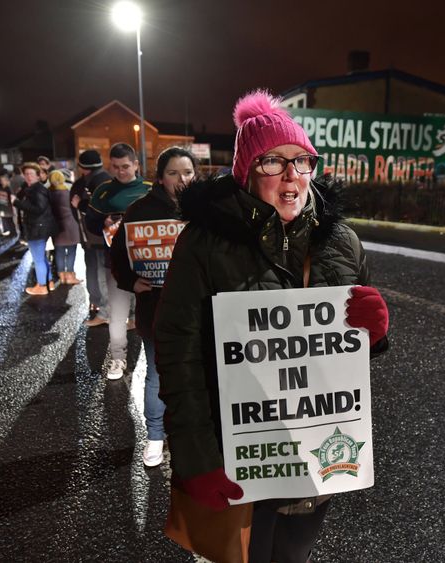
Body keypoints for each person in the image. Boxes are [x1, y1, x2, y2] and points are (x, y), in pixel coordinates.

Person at [154, 90, 390, 562]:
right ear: (246, 172)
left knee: (294, 556)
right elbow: (179, 356)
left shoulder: (341, 241)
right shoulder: (204, 244)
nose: (291, 177)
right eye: (272, 163)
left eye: (302, 162)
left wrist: (376, 333)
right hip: (239, 453)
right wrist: (198, 460)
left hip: (316, 454)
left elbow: (348, 351)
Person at [110, 147, 197, 467]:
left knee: (195, 375)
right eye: (173, 173)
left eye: (187, 172)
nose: (181, 179)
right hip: (155, 308)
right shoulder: (139, 211)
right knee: (158, 375)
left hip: (198, 311)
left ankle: (188, 436)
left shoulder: (206, 210)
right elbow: (118, 256)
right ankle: (155, 437)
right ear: (160, 177)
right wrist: (131, 281)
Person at [85, 143, 150, 380]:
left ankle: (155, 361)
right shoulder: (103, 191)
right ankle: (117, 358)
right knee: (118, 313)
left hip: (148, 263)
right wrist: (102, 223)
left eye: (125, 166)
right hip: (115, 262)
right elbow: (90, 222)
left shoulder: (151, 189)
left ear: (136, 165)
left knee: (150, 313)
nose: (121, 171)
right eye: (116, 167)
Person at [71, 150, 112, 322]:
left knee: (98, 272)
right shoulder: (108, 179)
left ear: (84, 167)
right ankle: (101, 305)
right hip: (100, 236)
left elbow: (94, 209)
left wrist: (80, 205)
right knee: (101, 272)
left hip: (93, 236)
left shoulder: (87, 183)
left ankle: (103, 310)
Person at [12, 162, 57, 295]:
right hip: (39, 227)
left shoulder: (37, 190)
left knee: (38, 259)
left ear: (38, 176)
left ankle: (42, 286)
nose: (28, 176)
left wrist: (17, 203)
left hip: (37, 229)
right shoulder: (34, 188)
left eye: (32, 174)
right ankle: (49, 282)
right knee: (41, 258)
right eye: (26, 174)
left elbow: (38, 209)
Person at [48, 170, 82, 284]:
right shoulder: (68, 192)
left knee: (59, 252)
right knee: (72, 251)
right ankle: (70, 275)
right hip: (71, 225)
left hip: (57, 227)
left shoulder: (49, 194)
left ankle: (61, 275)